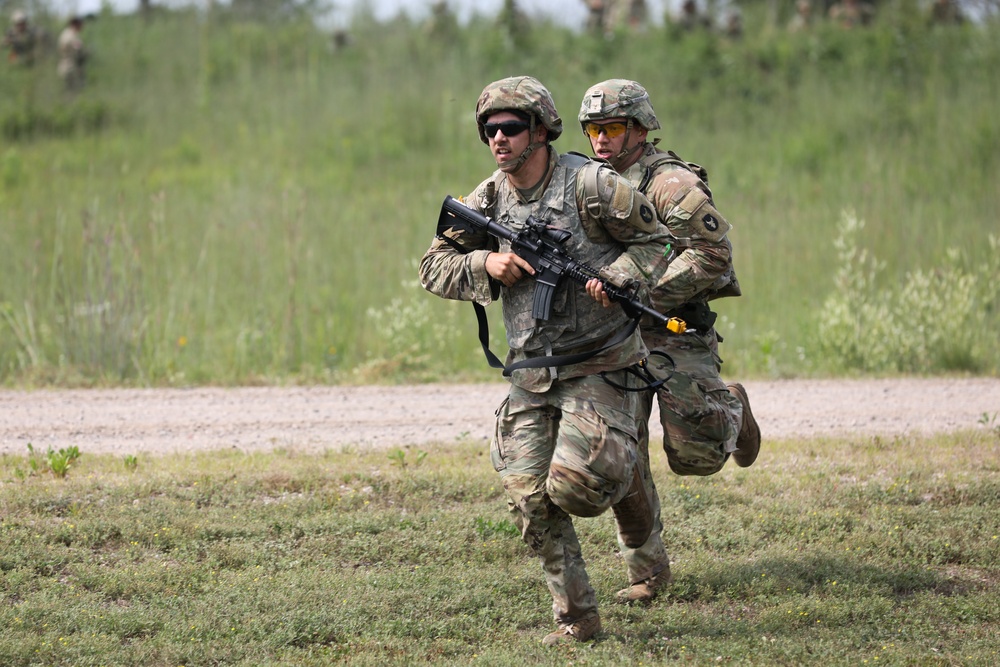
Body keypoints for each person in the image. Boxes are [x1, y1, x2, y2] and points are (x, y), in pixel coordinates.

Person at [419, 75, 671, 646]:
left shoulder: (593, 187)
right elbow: (432, 268)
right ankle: (577, 618)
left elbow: (660, 244)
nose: (499, 140)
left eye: (511, 128)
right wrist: (486, 263)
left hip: (602, 362)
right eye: (490, 130)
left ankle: (621, 460)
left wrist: (619, 277)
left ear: (541, 130)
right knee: (529, 497)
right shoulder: (486, 199)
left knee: (577, 485)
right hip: (532, 372)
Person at [578, 79, 761, 603]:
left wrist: (645, 291)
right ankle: (647, 572)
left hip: (673, 327)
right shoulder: (585, 182)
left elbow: (713, 254)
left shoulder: (670, 184)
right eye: (594, 129)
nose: (600, 140)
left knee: (694, 455)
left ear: (639, 127)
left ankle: (732, 412)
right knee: (624, 454)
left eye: (611, 128)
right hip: (613, 335)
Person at [57, 16, 88, 92]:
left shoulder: (66, 33)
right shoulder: (72, 36)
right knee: (73, 93)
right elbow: (77, 52)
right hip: (71, 69)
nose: (82, 26)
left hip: (65, 67)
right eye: (80, 24)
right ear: (76, 24)